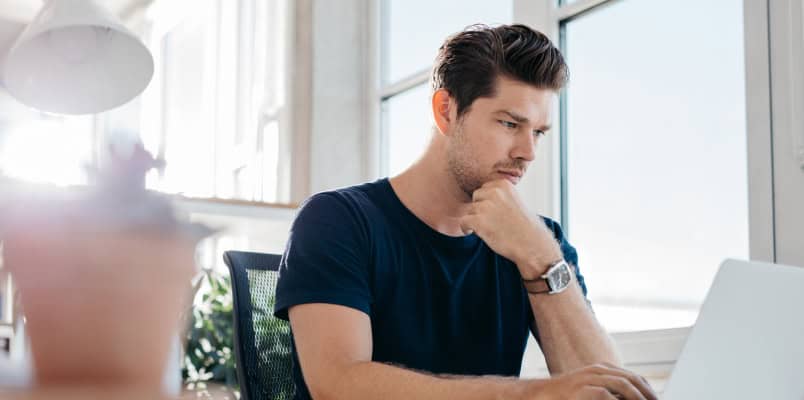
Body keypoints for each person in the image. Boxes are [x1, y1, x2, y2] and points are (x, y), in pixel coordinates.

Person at [274, 24, 657, 400]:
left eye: (539, 132)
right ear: (446, 111)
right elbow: (339, 384)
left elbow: (613, 392)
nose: (528, 152)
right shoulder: (338, 221)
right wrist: (535, 394)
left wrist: (538, 258)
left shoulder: (537, 241)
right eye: (510, 124)